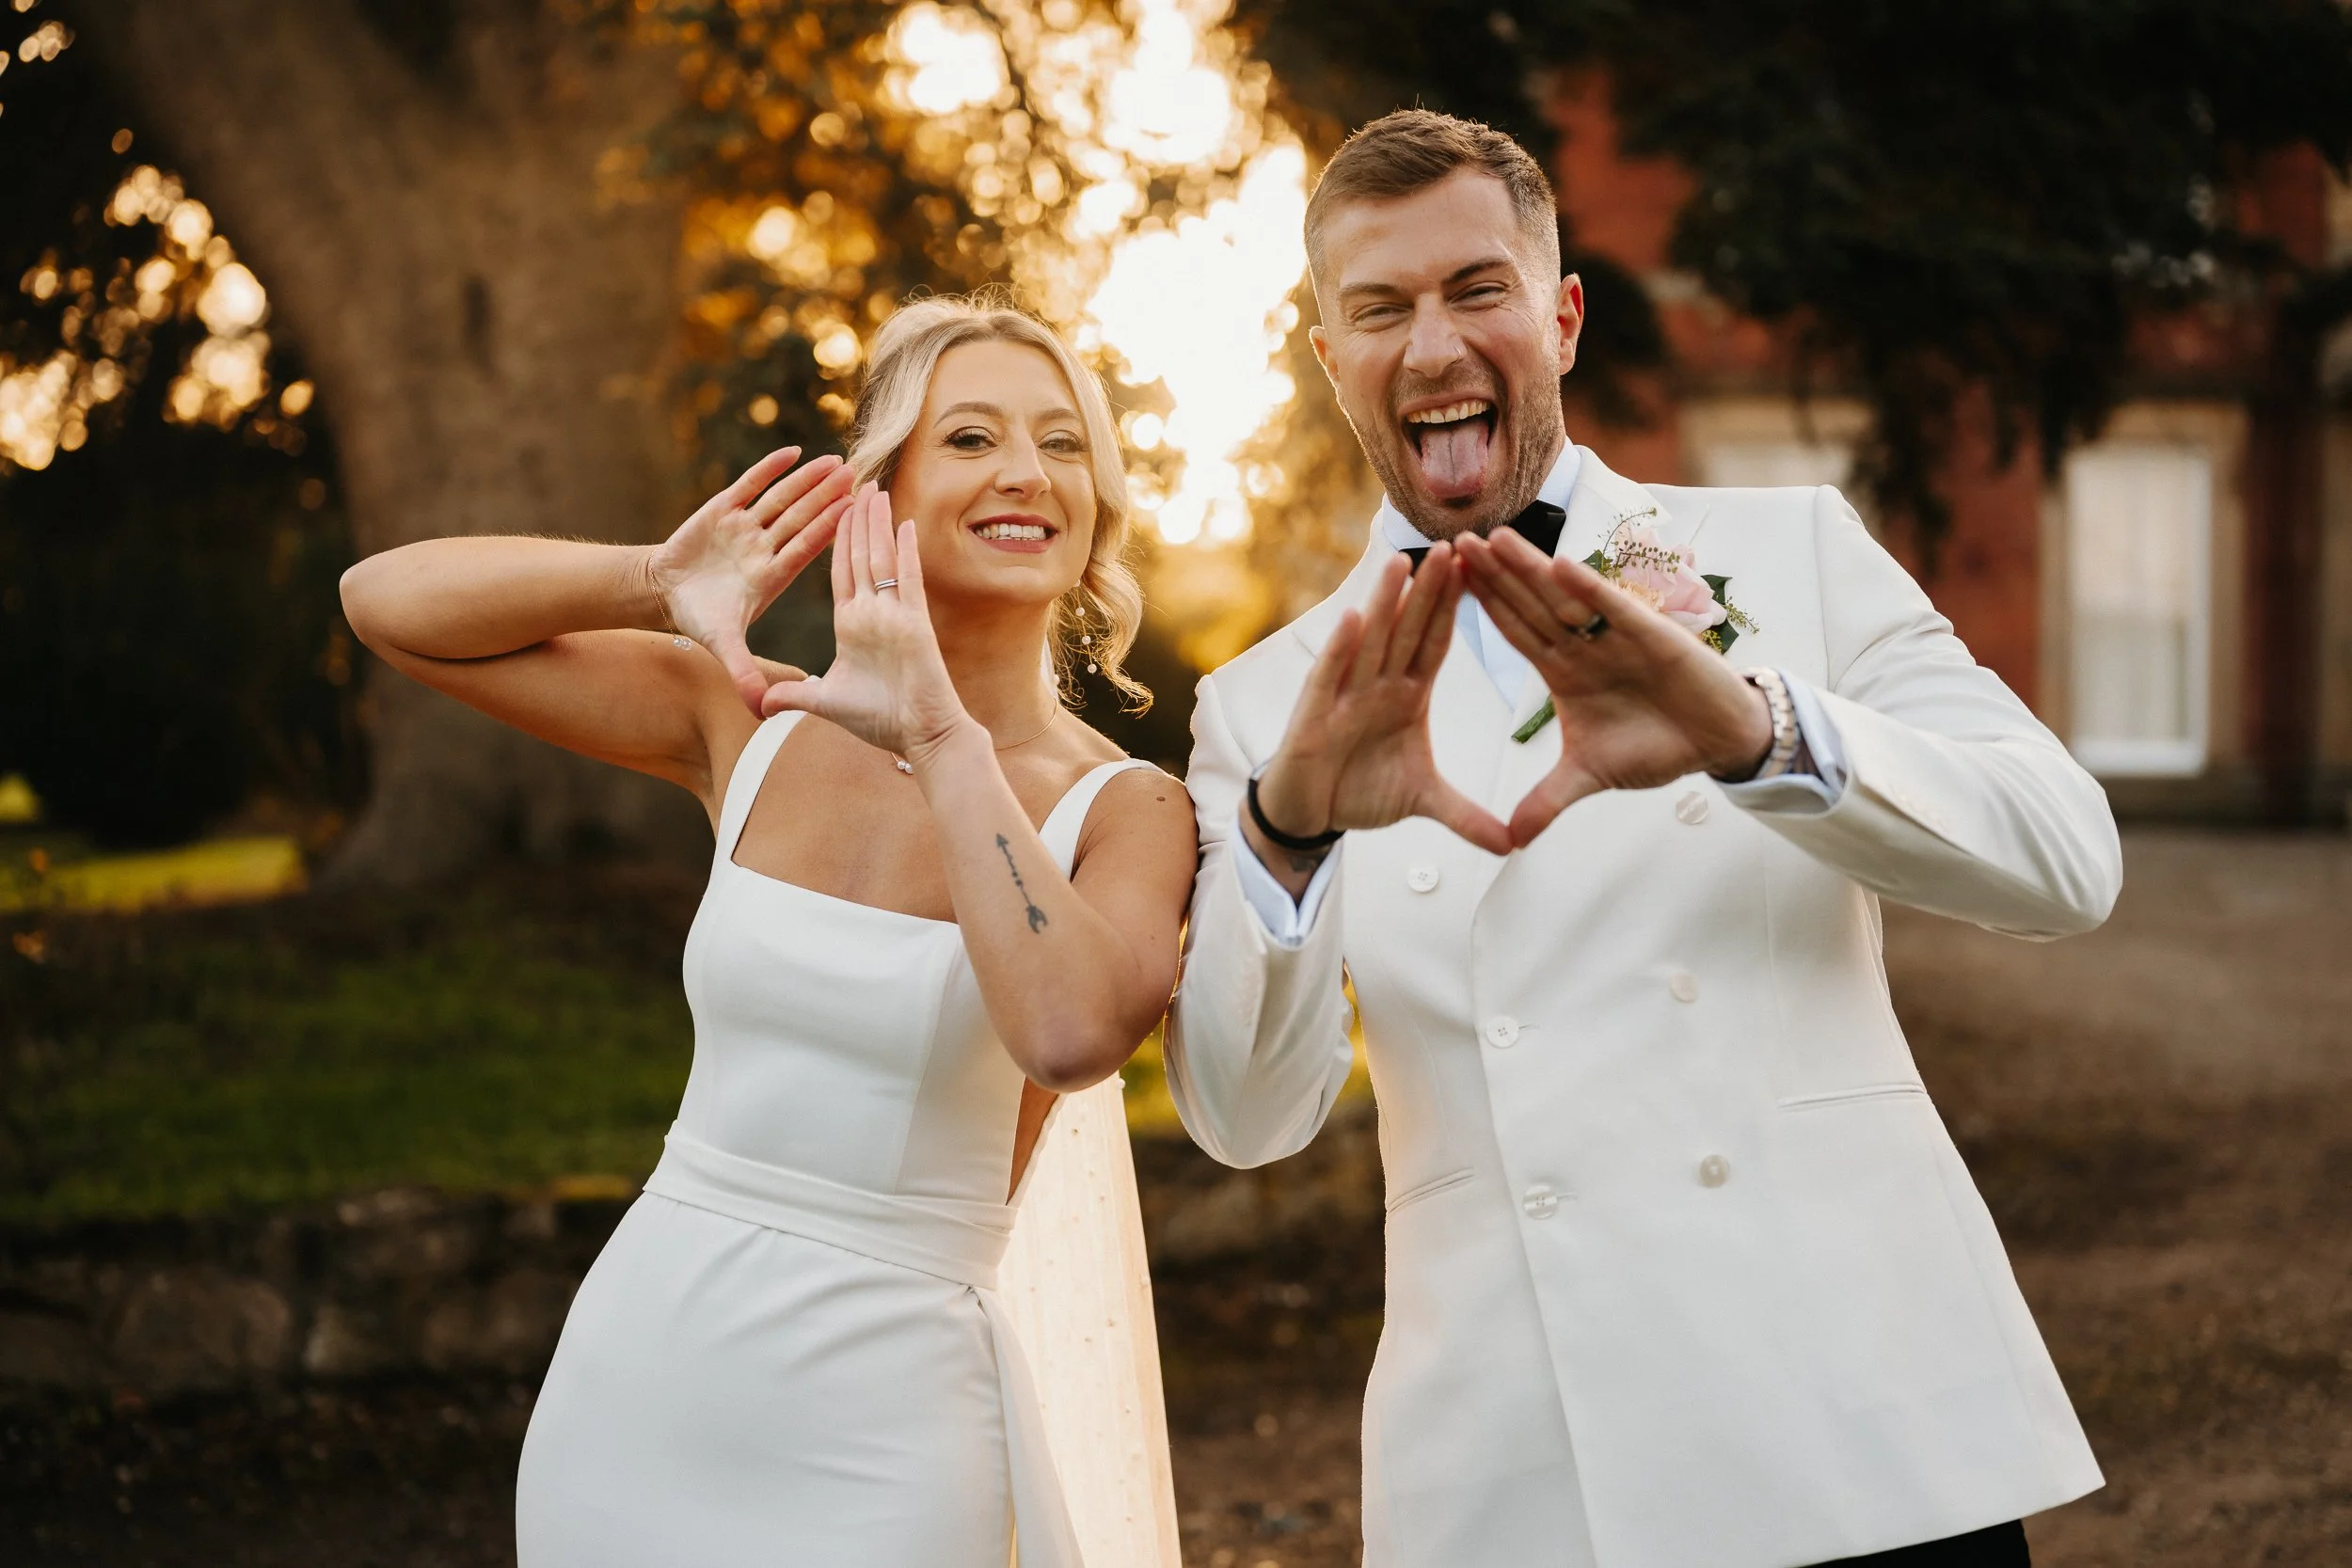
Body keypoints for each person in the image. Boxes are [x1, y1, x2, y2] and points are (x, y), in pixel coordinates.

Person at [1165, 109, 2122, 1568]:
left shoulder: (1786, 554)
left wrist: (1758, 734)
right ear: (1327, 358)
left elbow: (2069, 860)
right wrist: (1289, 835)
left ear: (1559, 318)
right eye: (1380, 308)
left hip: (1849, 1413)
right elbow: (1245, 1119)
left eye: (1476, 289)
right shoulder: (1263, 707)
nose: (1431, 347)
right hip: (1531, 1468)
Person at [340, 295, 1195, 1567]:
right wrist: (654, 579)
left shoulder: (1127, 808)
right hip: (643, 1378)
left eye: (1062, 442)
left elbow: (1069, 1030)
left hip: (893, 1421)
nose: (1026, 470)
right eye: (970, 438)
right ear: (881, 493)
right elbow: (388, 601)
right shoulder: (753, 720)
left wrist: (942, 735)